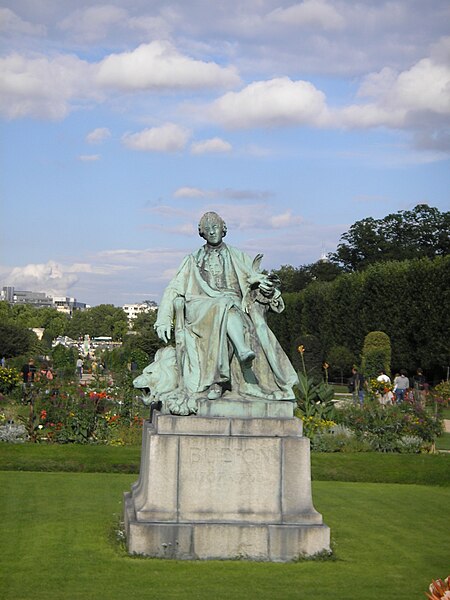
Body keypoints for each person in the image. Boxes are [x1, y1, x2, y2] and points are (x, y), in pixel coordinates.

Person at [154, 211, 298, 412]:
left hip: (233, 307)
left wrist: (268, 289)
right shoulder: (192, 259)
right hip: (201, 307)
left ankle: (223, 376)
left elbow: (257, 279)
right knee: (222, 305)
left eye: (215, 227)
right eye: (207, 229)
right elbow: (173, 288)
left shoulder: (238, 256)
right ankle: (237, 356)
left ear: (224, 229)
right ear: (201, 233)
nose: (212, 231)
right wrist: (164, 318)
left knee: (227, 309)